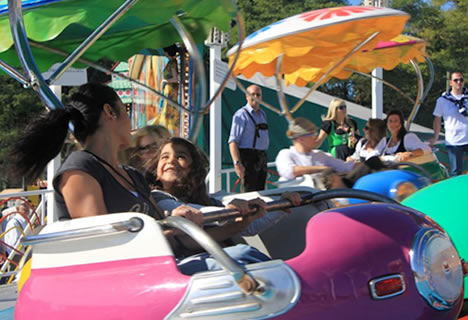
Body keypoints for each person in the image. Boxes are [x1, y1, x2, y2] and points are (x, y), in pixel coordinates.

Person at [8, 83, 269, 274]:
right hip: (130, 277)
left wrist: (237, 223)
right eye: (126, 109)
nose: (131, 119)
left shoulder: (132, 175)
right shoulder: (81, 168)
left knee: (251, 257)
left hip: (162, 265)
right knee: (247, 261)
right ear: (110, 112)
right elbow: (105, 246)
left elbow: (176, 238)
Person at [275, 117, 355, 181]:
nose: (316, 137)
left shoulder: (320, 155)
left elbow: (345, 167)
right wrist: (322, 169)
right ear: (301, 139)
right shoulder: (285, 154)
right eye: (312, 134)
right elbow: (289, 171)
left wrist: (363, 163)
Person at [229, 85, 269, 192]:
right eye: (252, 94)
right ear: (247, 96)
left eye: (258, 95)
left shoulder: (262, 114)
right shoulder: (241, 115)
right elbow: (233, 141)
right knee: (249, 192)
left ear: (261, 97)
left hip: (261, 156)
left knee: (261, 190)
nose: (255, 97)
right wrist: (237, 163)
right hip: (248, 157)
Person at [429, 71, 468, 176]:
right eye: (456, 80)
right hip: (454, 141)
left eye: (461, 80)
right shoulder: (443, 100)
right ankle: (456, 192)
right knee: (456, 171)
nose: (458, 82)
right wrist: (435, 137)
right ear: (450, 83)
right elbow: (437, 119)